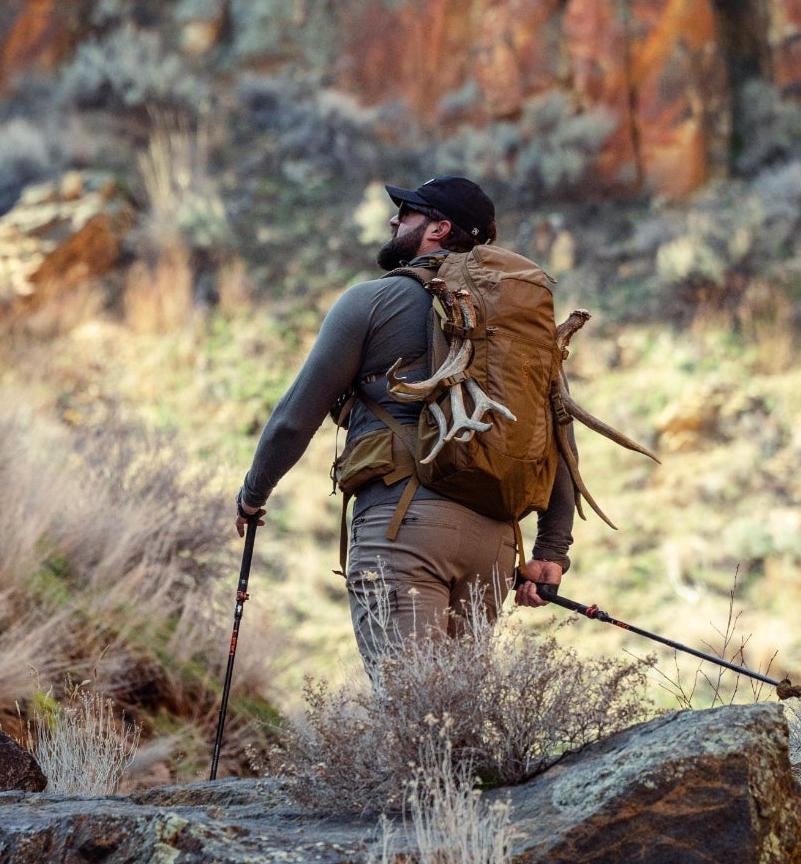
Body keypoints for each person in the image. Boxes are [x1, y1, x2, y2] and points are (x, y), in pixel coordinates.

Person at [234, 175, 575, 673]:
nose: (395, 220)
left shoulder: (371, 302)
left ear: (439, 228)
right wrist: (551, 550)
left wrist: (253, 494)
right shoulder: (518, 320)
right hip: (495, 545)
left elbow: (293, 420)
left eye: (408, 213)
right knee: (454, 721)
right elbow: (557, 430)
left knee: (411, 716)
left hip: (405, 527)